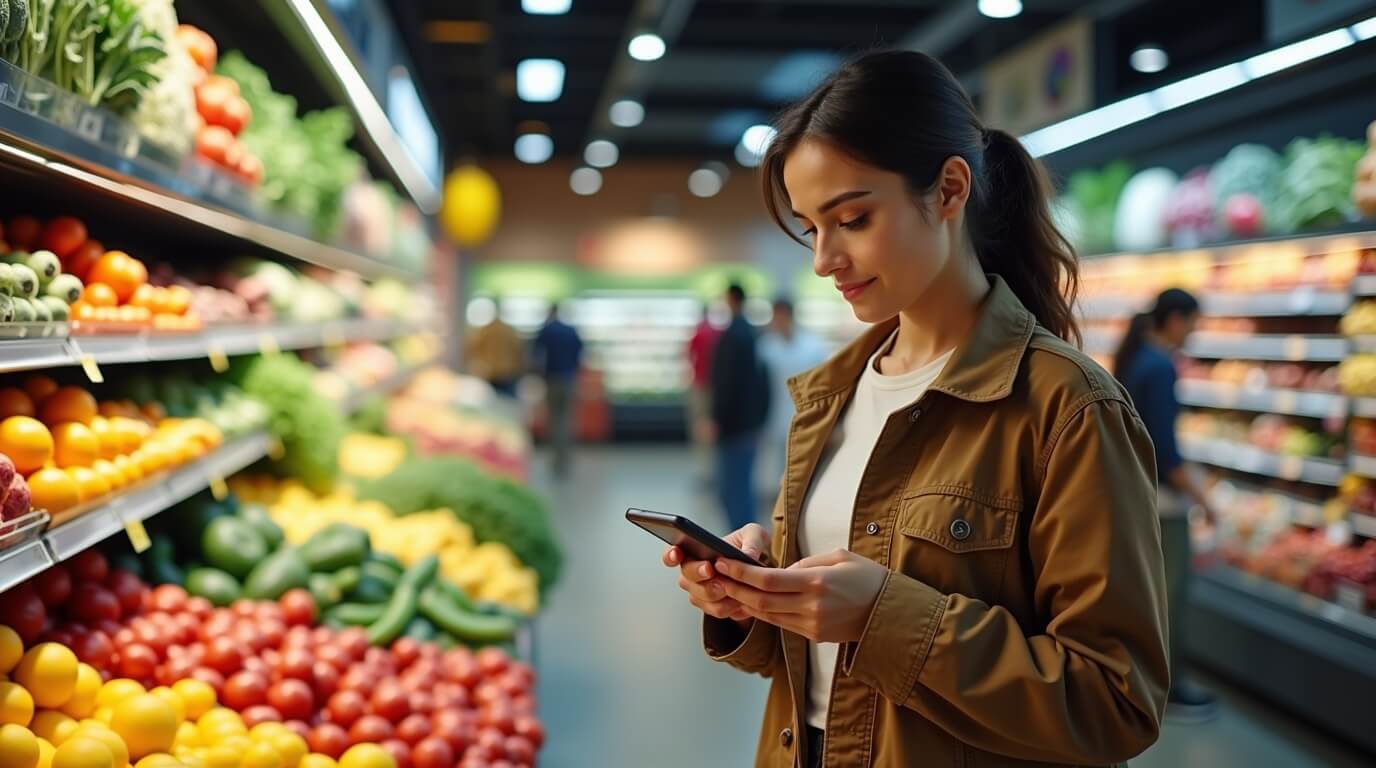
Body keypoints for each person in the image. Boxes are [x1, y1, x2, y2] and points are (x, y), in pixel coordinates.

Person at [661, 50, 1168, 768]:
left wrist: (882, 616)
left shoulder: (1067, 409)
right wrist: (755, 599)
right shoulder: (829, 397)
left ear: (949, 191)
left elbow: (1117, 703)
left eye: (854, 219)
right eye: (811, 227)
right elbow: (824, 667)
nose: (824, 259)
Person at [1114, 288, 1218, 723]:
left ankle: (1150, 682)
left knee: (1151, 594)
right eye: (1193, 322)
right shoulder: (1159, 367)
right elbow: (1166, 452)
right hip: (1164, 502)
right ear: (1175, 319)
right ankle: (1171, 689)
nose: (1195, 332)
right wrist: (1205, 499)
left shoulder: (1137, 359)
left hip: (1138, 495)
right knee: (1170, 597)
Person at [710, 283, 771, 532]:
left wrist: (715, 418)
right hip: (747, 423)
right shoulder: (753, 334)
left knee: (732, 488)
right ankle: (744, 537)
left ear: (731, 300)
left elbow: (725, 383)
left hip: (733, 426)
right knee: (741, 484)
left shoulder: (732, 336)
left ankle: (740, 541)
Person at [757, 298, 828, 497]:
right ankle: (775, 494)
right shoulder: (765, 347)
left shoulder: (811, 345)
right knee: (774, 461)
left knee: (802, 459)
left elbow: (822, 380)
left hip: (803, 413)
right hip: (772, 413)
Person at [532, 303, 584, 477]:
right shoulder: (570, 330)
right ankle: (566, 457)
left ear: (550, 312)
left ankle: (556, 459)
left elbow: (536, 355)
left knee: (554, 419)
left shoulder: (546, 331)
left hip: (552, 379)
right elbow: (581, 353)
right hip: (569, 379)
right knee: (567, 417)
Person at [686, 306, 724, 487]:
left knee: (699, 429)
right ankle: (714, 470)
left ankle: (703, 471)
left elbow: (689, 357)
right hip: (714, 386)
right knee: (712, 429)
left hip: (700, 385)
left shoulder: (697, 333)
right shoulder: (718, 332)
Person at [464, 301, 525, 397]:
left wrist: (473, 366)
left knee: (490, 405)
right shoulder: (509, 330)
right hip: (507, 372)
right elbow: (519, 351)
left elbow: (471, 349)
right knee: (507, 404)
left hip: (489, 372)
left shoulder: (485, 329)